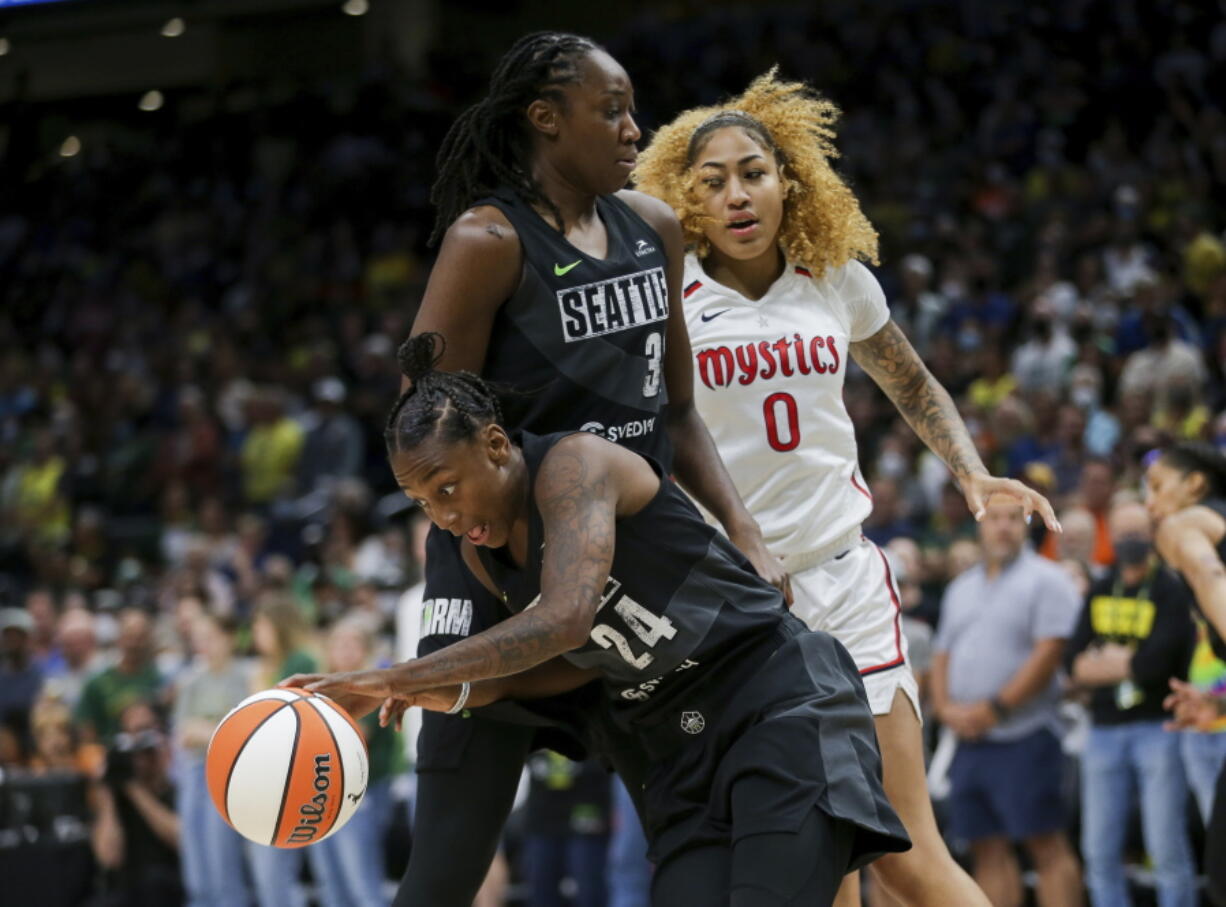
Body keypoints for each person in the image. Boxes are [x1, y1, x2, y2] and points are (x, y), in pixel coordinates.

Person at [632, 69, 1062, 907]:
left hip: (842, 579)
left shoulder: (834, 276)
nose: (737, 195)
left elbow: (911, 379)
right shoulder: (666, 295)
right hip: (737, 595)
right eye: (713, 181)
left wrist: (970, 472)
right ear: (686, 199)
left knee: (905, 850)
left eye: (753, 172)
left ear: (788, 177)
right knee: (813, 856)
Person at [284, 333, 910, 905]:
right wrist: (445, 692)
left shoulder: (576, 467)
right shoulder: (481, 552)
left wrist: (399, 676)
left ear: (497, 446)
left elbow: (565, 620)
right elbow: (563, 666)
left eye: (447, 487)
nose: (442, 516)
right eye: (422, 502)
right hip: (680, 753)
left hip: (775, 700)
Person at [398, 31, 783, 907]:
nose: (633, 129)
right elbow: (424, 432)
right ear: (544, 119)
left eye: (630, 109)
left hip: (625, 575)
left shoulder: (653, 227)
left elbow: (678, 410)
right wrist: (483, 562)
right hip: (496, 568)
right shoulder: (487, 240)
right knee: (443, 875)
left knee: (694, 846)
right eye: (610, 111)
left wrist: (744, 529)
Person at [931, 501, 1083, 907]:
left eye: (1013, 519)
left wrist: (995, 708)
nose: (1003, 527)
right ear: (980, 528)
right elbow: (942, 653)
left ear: (1026, 526)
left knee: (1045, 844)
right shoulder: (961, 586)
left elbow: (1050, 651)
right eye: (994, 519)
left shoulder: (1047, 580)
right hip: (969, 738)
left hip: (1026, 733)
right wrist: (945, 708)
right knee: (985, 847)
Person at [1065, 500, 1197, 907]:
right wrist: (1127, 664)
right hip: (1103, 730)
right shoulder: (1103, 587)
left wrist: (1107, 662)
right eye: (1122, 534)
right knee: (1098, 850)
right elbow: (1073, 661)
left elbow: (1157, 663)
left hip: (1157, 728)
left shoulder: (1170, 589)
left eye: (1137, 533)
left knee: (1165, 847)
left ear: (1153, 536)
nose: (1129, 542)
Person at [1145, 443, 1226, 905]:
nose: (1150, 504)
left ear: (1194, 485)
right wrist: (1218, 703)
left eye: (1157, 487)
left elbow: (1208, 572)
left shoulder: (1182, 524)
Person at [171, 611, 252, 907]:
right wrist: (217, 728)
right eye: (200, 639)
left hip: (227, 773)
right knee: (195, 861)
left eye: (212, 637)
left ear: (230, 638)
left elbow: (245, 730)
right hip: (193, 771)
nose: (205, 645)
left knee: (223, 860)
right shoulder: (190, 679)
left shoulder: (245, 674)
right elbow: (182, 733)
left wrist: (207, 730)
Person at [76, 609, 162, 745]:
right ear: (119, 638)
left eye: (140, 637)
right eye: (130, 637)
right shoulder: (98, 683)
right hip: (113, 757)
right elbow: (86, 730)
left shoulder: (159, 678)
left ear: (149, 640)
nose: (134, 644)